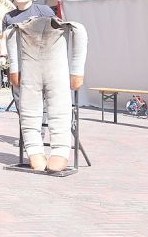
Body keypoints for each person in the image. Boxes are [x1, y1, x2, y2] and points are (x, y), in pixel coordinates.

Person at [5, 16, 87, 172]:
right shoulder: (19, 27)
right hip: (32, 75)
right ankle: (34, 151)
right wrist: (14, 69)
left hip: (56, 75)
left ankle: (60, 152)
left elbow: (79, 30)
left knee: (59, 112)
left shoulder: (65, 27)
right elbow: (9, 33)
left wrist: (77, 72)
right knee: (29, 114)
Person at [0, 0, 57, 113]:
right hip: (17, 61)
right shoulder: (9, 16)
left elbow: (58, 30)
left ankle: (39, 129)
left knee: (40, 94)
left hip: (40, 60)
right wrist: (2, 56)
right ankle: (25, 128)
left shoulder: (43, 10)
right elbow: (4, 37)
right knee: (19, 94)